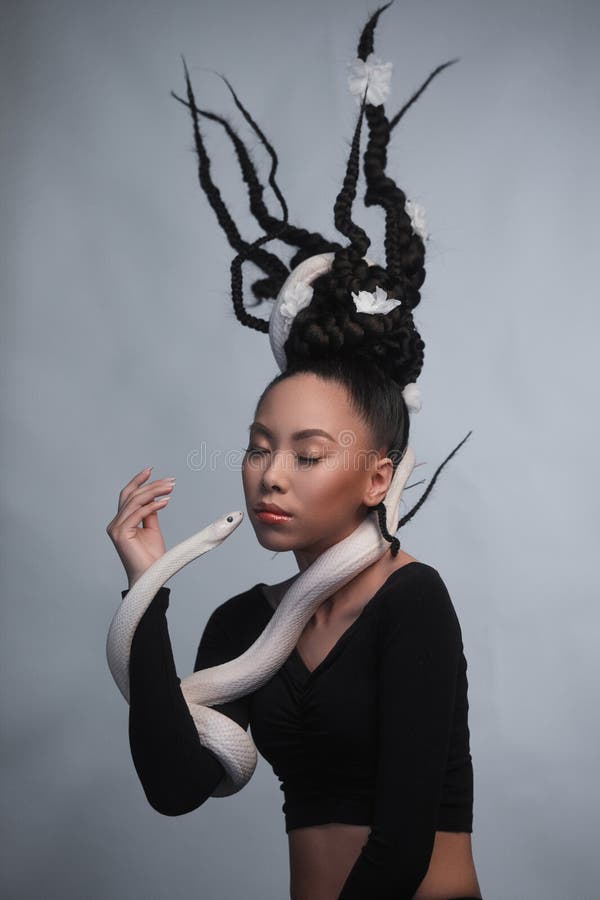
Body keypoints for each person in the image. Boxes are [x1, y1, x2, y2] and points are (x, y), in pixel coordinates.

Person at [105, 3, 484, 897]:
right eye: (258, 447)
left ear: (379, 477)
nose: (270, 474)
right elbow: (174, 787)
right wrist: (146, 590)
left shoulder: (414, 603)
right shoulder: (243, 625)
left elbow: (401, 848)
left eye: (308, 454)